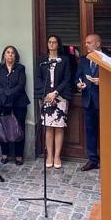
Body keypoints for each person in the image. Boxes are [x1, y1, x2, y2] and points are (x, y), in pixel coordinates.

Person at [34, 34, 72, 169]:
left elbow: (67, 78)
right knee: (48, 127)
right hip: (45, 97)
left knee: (59, 127)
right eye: (49, 42)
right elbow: (38, 77)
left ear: (58, 44)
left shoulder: (65, 60)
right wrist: (46, 94)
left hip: (60, 97)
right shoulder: (42, 59)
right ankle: (49, 155)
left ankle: (57, 155)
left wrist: (55, 93)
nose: (51, 44)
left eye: (54, 42)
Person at [0, 45, 30, 165]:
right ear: (4, 55)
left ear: (15, 56)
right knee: (3, 128)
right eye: (8, 52)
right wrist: (4, 95)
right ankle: (4, 154)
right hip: (2, 102)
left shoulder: (20, 68)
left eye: (13, 53)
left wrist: (9, 94)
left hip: (19, 102)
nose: (10, 55)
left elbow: (21, 85)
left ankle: (19, 155)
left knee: (19, 128)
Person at [75, 34, 102, 172]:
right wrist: (79, 84)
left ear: (98, 44)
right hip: (88, 101)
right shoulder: (84, 60)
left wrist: (102, 82)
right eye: (85, 43)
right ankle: (92, 160)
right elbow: (78, 76)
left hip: (104, 102)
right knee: (90, 132)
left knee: (105, 132)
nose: (86, 45)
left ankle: (108, 158)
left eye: (89, 42)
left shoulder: (107, 59)